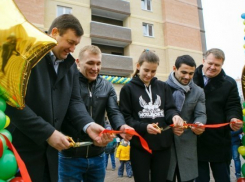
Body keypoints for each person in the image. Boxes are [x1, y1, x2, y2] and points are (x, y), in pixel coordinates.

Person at [5, 14, 110, 182]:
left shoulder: (70, 68)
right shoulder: (24, 56)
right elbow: (13, 103)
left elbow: (74, 102)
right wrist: (48, 133)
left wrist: (88, 125)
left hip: (51, 156)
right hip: (20, 151)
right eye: (70, 42)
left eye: (76, 44)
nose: (73, 49)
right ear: (54, 32)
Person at [59, 45, 133, 182]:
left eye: (98, 63)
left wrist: (121, 126)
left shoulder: (107, 86)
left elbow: (114, 111)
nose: (95, 68)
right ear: (77, 62)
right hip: (69, 157)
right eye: (90, 63)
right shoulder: (68, 83)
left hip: (97, 156)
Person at [119, 49, 184, 182]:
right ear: (138, 66)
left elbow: (170, 109)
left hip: (163, 146)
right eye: (146, 70)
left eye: (153, 71)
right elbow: (126, 118)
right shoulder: (128, 89)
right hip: (140, 146)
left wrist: (174, 116)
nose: (149, 74)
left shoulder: (163, 87)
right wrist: (144, 127)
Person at [193, 48, 243, 182]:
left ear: (222, 65)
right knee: (200, 179)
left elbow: (233, 105)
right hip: (195, 139)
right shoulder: (191, 78)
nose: (212, 67)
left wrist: (233, 118)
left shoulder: (229, 83)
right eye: (210, 63)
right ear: (203, 61)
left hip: (219, 140)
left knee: (223, 178)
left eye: (217, 65)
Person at [165, 55, 206, 182]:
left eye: (191, 73)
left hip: (187, 145)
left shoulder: (198, 91)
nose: (187, 77)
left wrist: (199, 124)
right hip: (166, 145)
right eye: (183, 72)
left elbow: (201, 114)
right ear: (174, 68)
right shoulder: (161, 87)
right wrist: (170, 127)